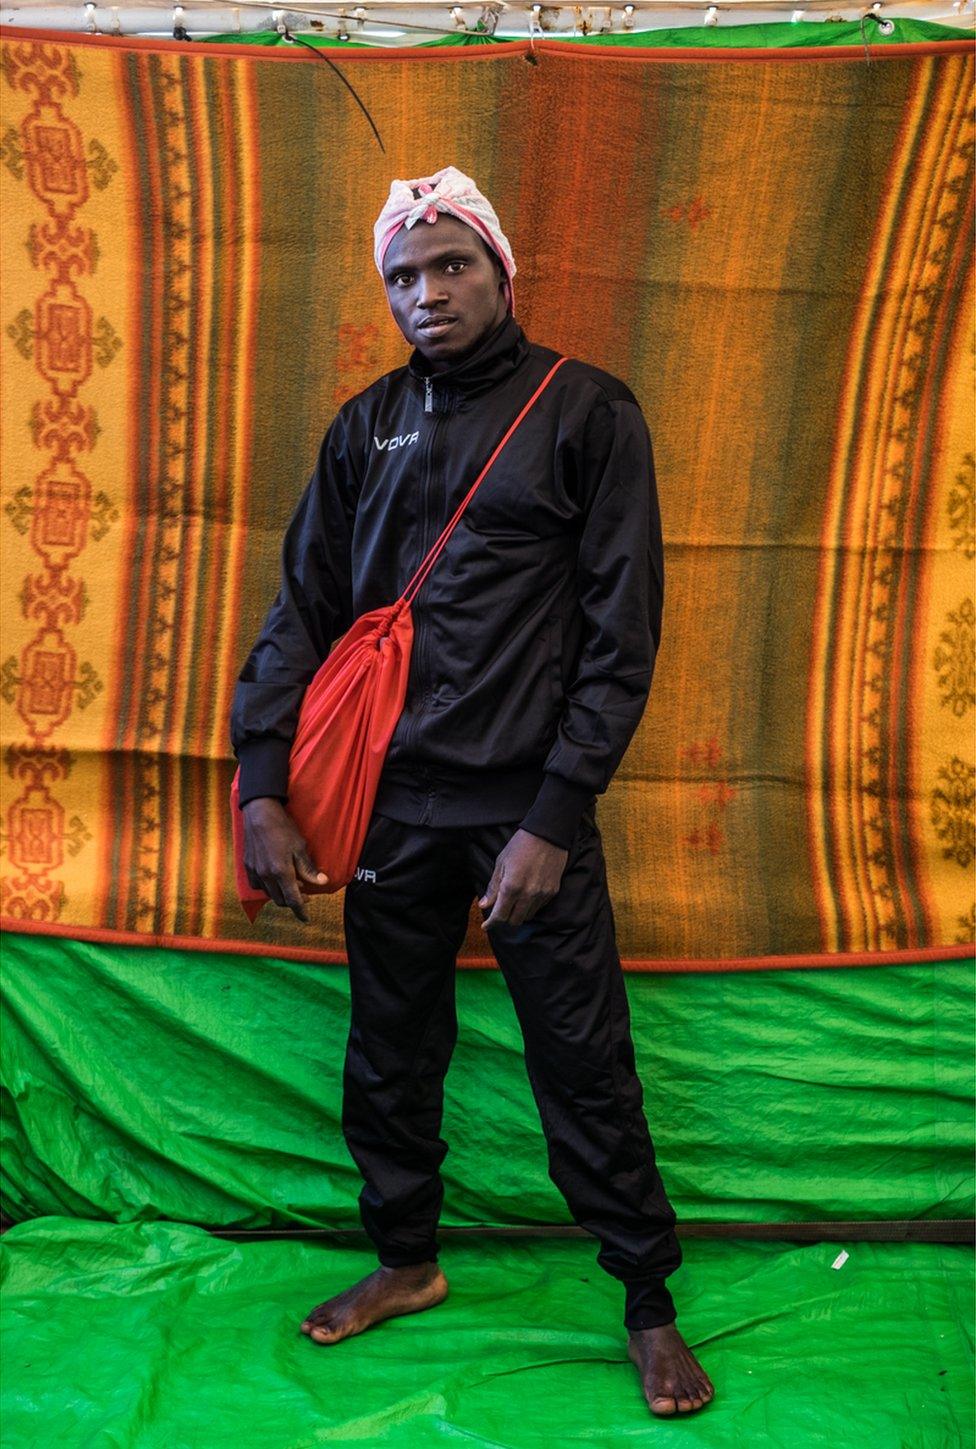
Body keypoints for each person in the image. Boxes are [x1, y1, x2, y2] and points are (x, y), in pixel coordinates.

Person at [230, 165, 714, 1418]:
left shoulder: (585, 413)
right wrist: (260, 783)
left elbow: (622, 635)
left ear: (501, 271)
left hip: (525, 812)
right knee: (389, 1049)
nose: (426, 293)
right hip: (391, 806)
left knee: (583, 1058)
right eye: (403, 276)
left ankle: (647, 1301)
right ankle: (404, 1262)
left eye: (450, 265)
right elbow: (304, 612)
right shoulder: (364, 428)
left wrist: (554, 819)